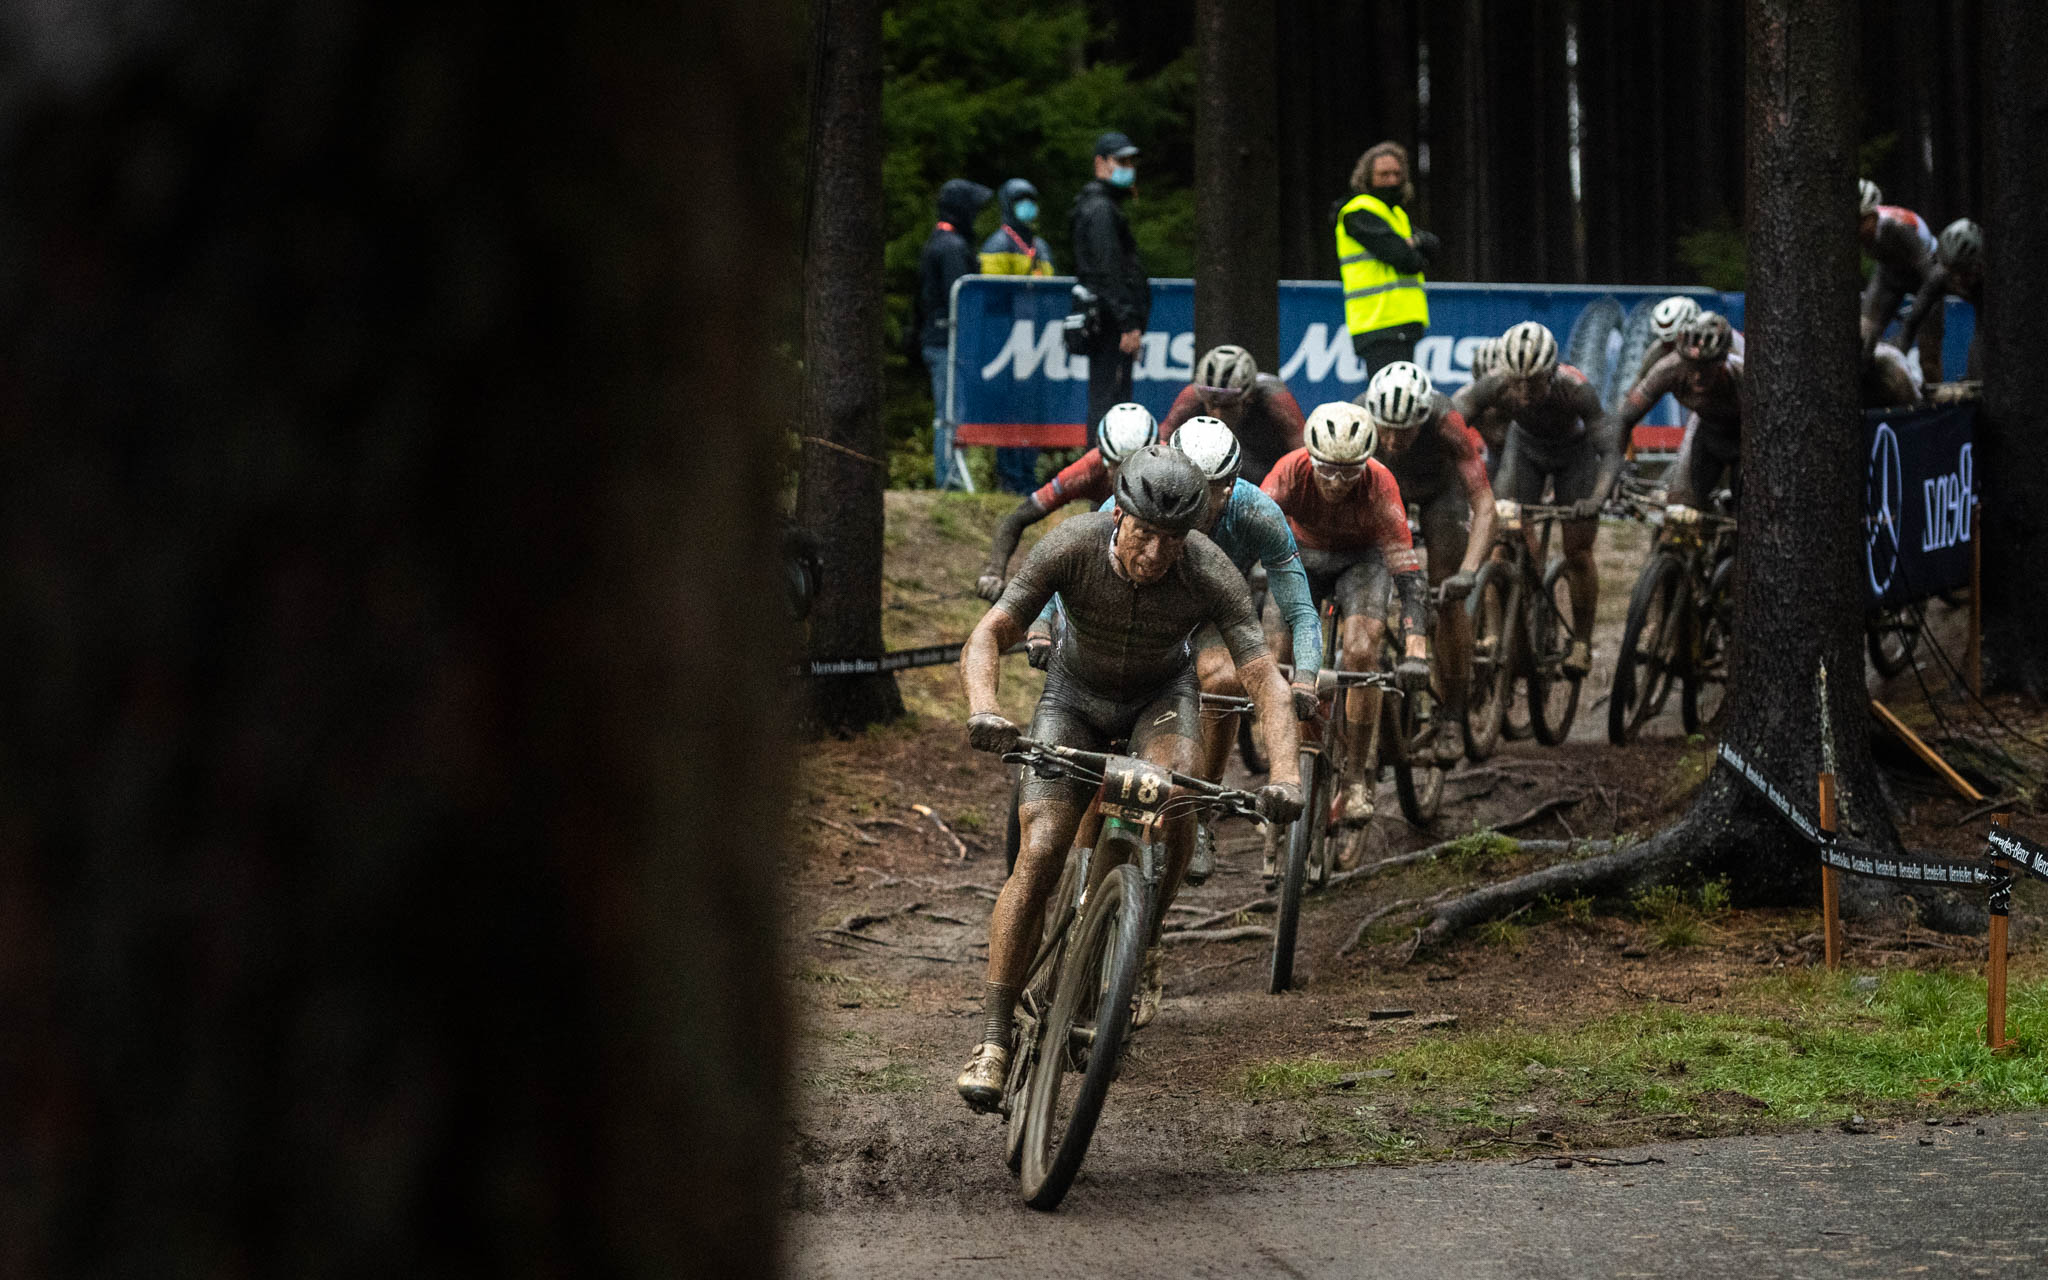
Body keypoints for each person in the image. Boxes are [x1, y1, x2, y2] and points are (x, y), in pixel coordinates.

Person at [954, 447, 1305, 1110]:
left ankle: (1144, 935)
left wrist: (1285, 773)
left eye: (1171, 542)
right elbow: (990, 633)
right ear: (1118, 517)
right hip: (1072, 698)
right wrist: (985, 706)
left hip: (1159, 701)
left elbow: (1263, 679)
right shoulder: (1072, 545)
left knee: (1175, 798)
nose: (1153, 554)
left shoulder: (1209, 570)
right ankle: (994, 1037)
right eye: (1143, 534)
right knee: (1042, 848)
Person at [1262, 403, 1431, 831]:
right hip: (1301, 557)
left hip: (1363, 562)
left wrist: (1415, 649)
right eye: (1327, 471)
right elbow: (1249, 531)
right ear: (1310, 459)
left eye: (1349, 472)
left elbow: (1409, 575)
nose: (1337, 482)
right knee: (1273, 656)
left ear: (1366, 464)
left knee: (1359, 654)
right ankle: (1279, 773)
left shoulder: (1381, 487)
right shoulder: (1287, 472)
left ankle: (1356, 778)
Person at [1452, 321, 1621, 679]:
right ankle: (1498, 631)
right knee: (1498, 538)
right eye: (1517, 382)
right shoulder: (1496, 383)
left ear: (1552, 372)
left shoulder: (1576, 389)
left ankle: (1581, 641)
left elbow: (1609, 450)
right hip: (1525, 449)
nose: (1525, 391)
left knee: (1577, 549)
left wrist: (1596, 499)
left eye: (1535, 382)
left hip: (1575, 455)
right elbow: (1452, 420)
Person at [1353, 362, 1496, 761]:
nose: (1395, 440)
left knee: (1448, 598)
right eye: (1387, 429)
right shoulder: (1359, 415)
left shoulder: (1446, 422)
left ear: (1424, 420)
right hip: (1385, 493)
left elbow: (1485, 505)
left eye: (1406, 431)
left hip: (1440, 493)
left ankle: (1452, 716)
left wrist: (1468, 572)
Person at [976, 401, 1156, 601]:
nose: (1125, 478)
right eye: (1115, 467)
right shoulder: (1086, 470)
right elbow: (1017, 519)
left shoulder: (1172, 466)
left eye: (1135, 469)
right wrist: (993, 573)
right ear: (1103, 458)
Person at [1333, 141, 1439, 377]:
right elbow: (1405, 258)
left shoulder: (1396, 214)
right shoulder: (1358, 211)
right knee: (1388, 403)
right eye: (1383, 174)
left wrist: (1416, 243)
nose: (1392, 181)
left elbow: (1433, 246)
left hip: (1404, 322)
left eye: (1396, 174)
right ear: (1367, 177)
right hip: (1378, 323)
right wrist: (1413, 247)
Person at [1616, 312, 1743, 508]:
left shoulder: (1741, 375)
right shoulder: (1668, 368)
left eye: (1707, 367)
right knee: (1679, 507)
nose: (1698, 375)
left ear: (1723, 361)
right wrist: (1616, 465)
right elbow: (1626, 416)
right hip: (1706, 430)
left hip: (1745, 438)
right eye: (1691, 366)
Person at [913, 178, 992, 490]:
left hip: (939, 341)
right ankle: (949, 479)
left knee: (949, 411)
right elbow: (963, 301)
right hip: (947, 343)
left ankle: (950, 476)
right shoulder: (952, 248)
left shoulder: (940, 241)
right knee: (950, 414)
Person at [979, 178, 1056, 494]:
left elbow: (1054, 291)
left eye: (1031, 198)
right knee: (1009, 408)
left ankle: (1027, 473)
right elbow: (991, 296)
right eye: (1021, 199)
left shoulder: (1042, 246)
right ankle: (1010, 476)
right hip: (1007, 340)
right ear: (1009, 204)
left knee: (1033, 409)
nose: (1028, 205)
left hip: (1038, 341)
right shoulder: (998, 243)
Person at [1072, 132, 1151, 434]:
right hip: (1110, 321)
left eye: (1131, 161)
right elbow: (1109, 272)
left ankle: (1105, 473)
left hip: (1109, 317)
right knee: (1111, 401)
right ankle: (1101, 474)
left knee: (1111, 398)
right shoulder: (1100, 210)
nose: (1128, 167)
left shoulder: (1102, 206)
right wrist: (1127, 322)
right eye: (1121, 160)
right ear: (1100, 163)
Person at [1156, 344, 1307, 483]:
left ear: (1249, 397)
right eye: (1211, 405)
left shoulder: (1275, 400)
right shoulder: (1193, 396)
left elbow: (1304, 456)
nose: (1218, 415)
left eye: (1227, 406)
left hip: (1267, 475)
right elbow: (1160, 444)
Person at [1857, 178, 1943, 380]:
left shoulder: (1896, 227)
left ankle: (1931, 392)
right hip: (1891, 273)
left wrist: (1911, 328)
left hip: (1924, 275)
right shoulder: (1865, 227)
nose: (1856, 229)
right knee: (1863, 337)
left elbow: (1931, 279)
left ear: (1872, 216)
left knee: (1928, 352)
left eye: (1860, 221)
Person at [1898, 217, 1983, 384]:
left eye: (1964, 272)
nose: (1958, 280)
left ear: (1980, 264)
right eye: (1953, 272)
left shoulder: (1991, 279)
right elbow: (1912, 323)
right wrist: (1896, 360)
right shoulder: (1940, 276)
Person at [1633, 295, 1745, 384]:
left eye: (1679, 339)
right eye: (1669, 343)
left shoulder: (1724, 339)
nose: (1674, 347)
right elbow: (1640, 382)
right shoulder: (1661, 347)